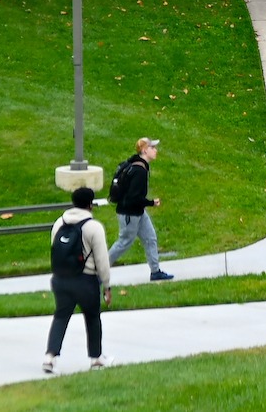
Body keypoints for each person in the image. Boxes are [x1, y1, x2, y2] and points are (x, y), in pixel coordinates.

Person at [42, 186, 113, 373]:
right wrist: (107, 285)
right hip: (85, 281)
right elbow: (102, 260)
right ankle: (96, 358)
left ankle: (50, 357)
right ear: (90, 204)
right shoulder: (93, 227)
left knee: (61, 316)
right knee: (92, 318)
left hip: (60, 279)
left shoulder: (59, 223)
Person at [107, 138, 173, 281]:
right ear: (144, 150)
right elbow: (133, 197)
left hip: (138, 211)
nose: (156, 150)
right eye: (152, 148)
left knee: (150, 238)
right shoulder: (139, 171)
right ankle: (99, 270)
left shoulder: (136, 165)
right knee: (124, 242)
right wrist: (151, 203)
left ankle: (155, 272)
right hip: (129, 213)